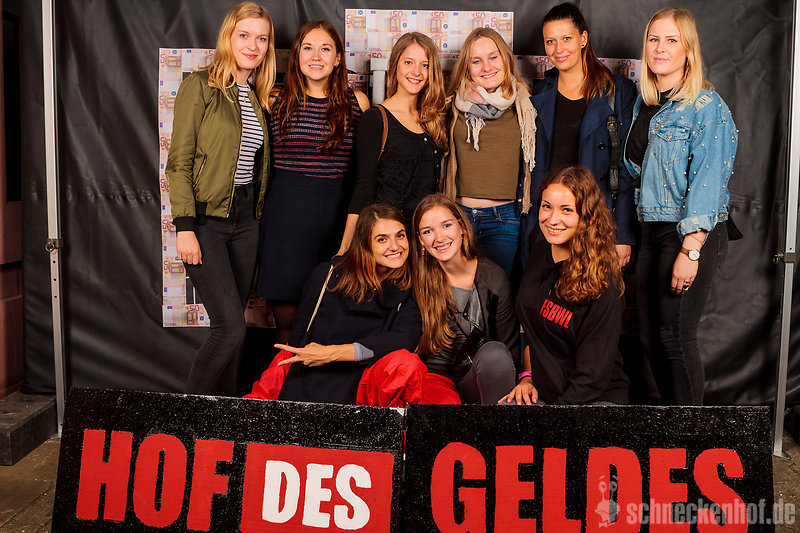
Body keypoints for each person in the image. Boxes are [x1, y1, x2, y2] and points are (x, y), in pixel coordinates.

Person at [623, 8, 737, 405]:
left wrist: (691, 249)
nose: (660, 48)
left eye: (671, 40)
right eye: (654, 39)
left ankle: (691, 434)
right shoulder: (645, 105)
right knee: (651, 337)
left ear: (688, 50)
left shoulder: (707, 106)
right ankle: (673, 427)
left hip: (688, 233)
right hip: (651, 230)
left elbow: (708, 180)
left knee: (675, 337)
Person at [166, 2, 275, 395]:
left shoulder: (257, 96)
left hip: (246, 222)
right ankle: (186, 414)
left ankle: (223, 416)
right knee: (229, 329)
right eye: (244, 35)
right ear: (228, 37)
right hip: (205, 221)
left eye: (261, 38)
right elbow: (178, 163)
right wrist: (185, 227)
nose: (253, 45)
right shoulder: (200, 86)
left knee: (235, 331)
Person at [256, 20, 370, 344]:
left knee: (331, 319)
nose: (316, 56)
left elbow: (364, 173)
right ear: (297, 55)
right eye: (307, 48)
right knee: (287, 321)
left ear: (338, 58)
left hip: (337, 217)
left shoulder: (357, 103)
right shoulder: (275, 99)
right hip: (285, 217)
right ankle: (283, 376)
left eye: (325, 49)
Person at [246, 204, 425, 406]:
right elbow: (300, 335)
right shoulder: (327, 275)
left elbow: (405, 338)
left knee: (407, 363)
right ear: (365, 244)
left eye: (400, 236)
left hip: (362, 383)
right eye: (382, 239)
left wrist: (332, 353)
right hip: (314, 375)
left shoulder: (410, 284)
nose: (395, 246)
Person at [500, 166, 629, 405]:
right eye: (546, 206)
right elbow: (531, 331)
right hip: (546, 395)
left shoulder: (603, 282)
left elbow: (592, 375)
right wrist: (527, 377)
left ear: (586, 216)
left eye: (566, 210)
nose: (552, 219)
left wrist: (556, 418)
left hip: (592, 401)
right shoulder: (539, 252)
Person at [521, 2, 636, 268]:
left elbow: (626, 170)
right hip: (547, 222)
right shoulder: (539, 93)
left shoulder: (617, 92)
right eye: (550, 41)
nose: (558, 49)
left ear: (583, 38)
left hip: (594, 219)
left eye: (566, 39)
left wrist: (623, 235)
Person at [440, 28, 537, 275]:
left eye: (493, 57)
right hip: (457, 217)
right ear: (466, 67)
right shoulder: (452, 106)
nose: (486, 67)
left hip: (504, 219)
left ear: (505, 58)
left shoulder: (525, 103)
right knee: (455, 289)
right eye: (476, 61)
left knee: (495, 290)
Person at [338, 32, 446, 253]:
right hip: (389, 240)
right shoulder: (376, 118)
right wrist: (345, 248)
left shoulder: (433, 119)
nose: (416, 72)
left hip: (425, 240)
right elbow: (363, 185)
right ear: (395, 65)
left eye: (425, 65)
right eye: (408, 62)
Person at [411, 194, 518, 405]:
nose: (439, 238)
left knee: (495, 354)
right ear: (421, 239)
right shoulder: (415, 280)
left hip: (476, 382)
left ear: (461, 226)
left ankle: (497, 425)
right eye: (428, 231)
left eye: (446, 225)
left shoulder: (494, 279)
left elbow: (510, 352)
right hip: (432, 384)